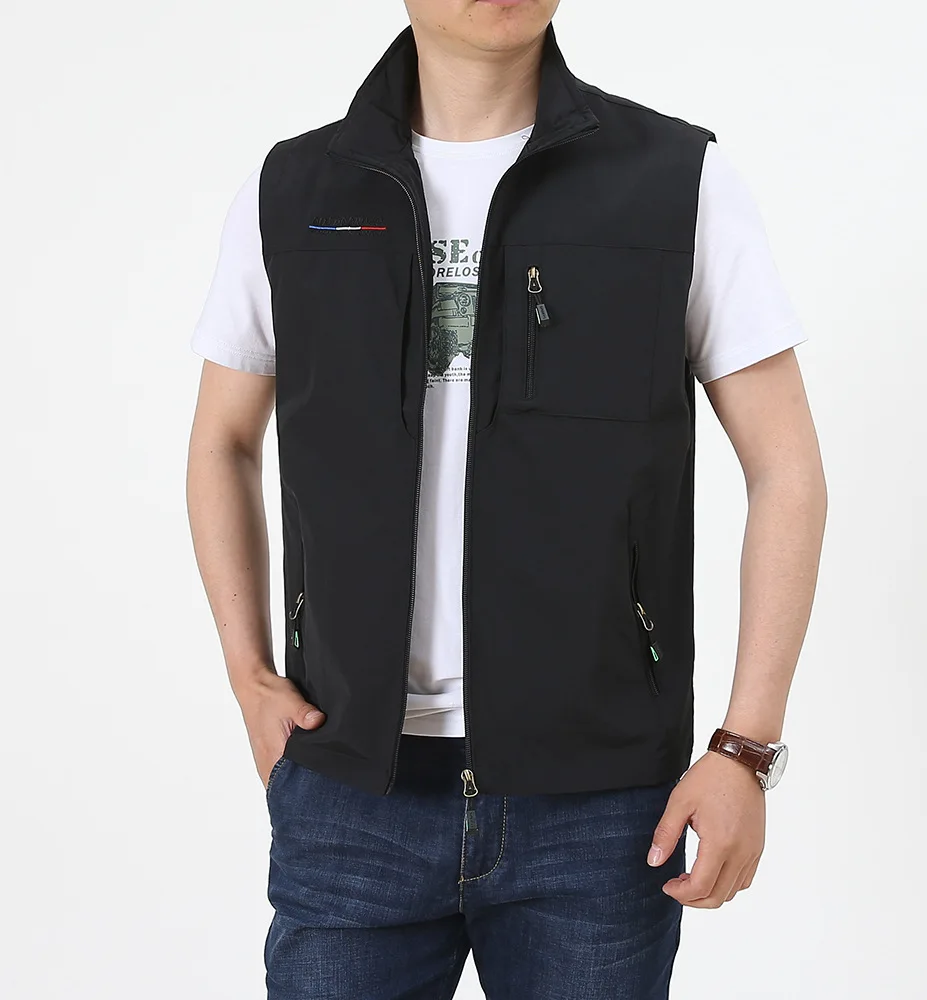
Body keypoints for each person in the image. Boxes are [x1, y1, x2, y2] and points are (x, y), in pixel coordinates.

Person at [186, 1, 827, 996]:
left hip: (602, 806)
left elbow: (786, 467)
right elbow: (223, 441)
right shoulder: (294, 190)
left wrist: (744, 748)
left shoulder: (674, 182)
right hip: (351, 792)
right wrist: (247, 672)